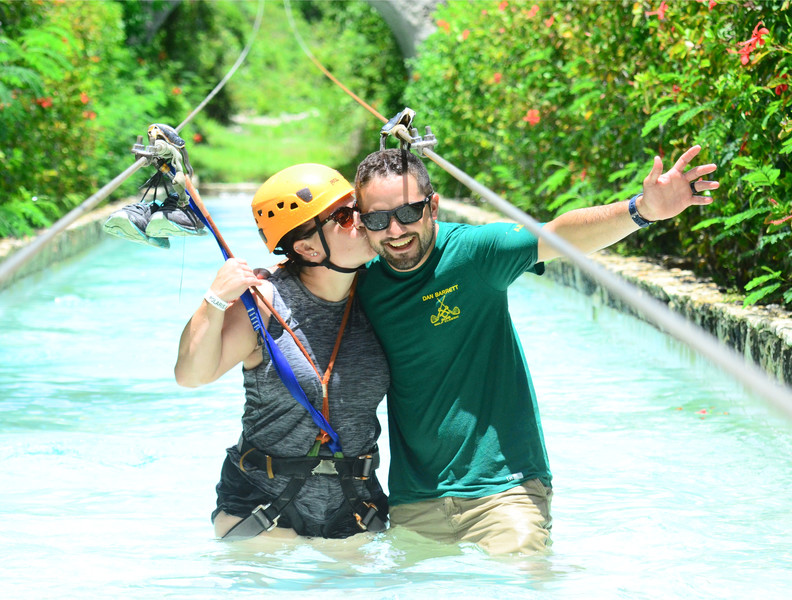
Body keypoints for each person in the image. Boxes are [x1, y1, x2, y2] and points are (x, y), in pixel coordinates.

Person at [352, 145, 719, 555]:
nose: (396, 231)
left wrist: (641, 209)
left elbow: (558, 234)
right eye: (378, 219)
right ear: (360, 223)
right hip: (413, 502)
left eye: (407, 213)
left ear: (433, 206)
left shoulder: (476, 253)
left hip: (505, 493)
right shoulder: (362, 284)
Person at [174, 163, 390, 540]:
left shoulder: (381, 294)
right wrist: (215, 301)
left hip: (354, 508)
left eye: (356, 209)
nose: (360, 220)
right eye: (342, 216)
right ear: (306, 246)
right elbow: (191, 376)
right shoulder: (265, 302)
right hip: (263, 510)